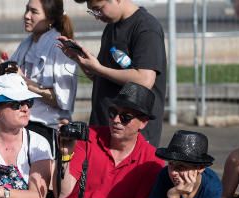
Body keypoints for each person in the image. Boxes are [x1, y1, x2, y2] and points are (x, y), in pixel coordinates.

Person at [64, 0, 166, 147]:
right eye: (93, 12)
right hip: (104, 128)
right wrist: (80, 60)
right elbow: (103, 78)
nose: (96, 16)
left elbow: (144, 79)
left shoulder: (146, 27)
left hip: (130, 136)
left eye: (98, 9)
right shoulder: (111, 27)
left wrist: (98, 68)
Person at [9, 0, 77, 140]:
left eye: (34, 12)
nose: (27, 16)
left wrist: (24, 82)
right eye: (27, 9)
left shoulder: (60, 48)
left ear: (50, 19)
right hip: (22, 124)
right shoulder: (27, 43)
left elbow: (62, 100)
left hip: (47, 128)